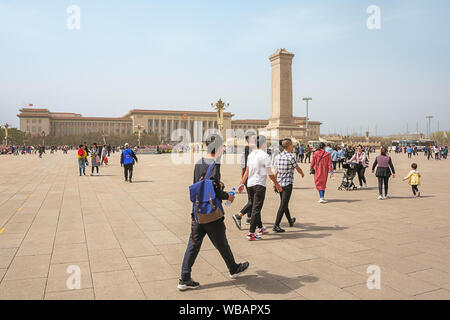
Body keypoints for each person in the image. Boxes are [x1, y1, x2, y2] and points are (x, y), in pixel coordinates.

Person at [178, 134, 249, 291]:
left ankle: (184, 277)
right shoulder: (214, 166)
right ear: (218, 148)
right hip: (211, 213)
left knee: (193, 244)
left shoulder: (198, 163)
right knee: (221, 242)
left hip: (197, 212)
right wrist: (228, 196)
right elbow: (215, 191)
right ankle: (233, 268)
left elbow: (199, 185)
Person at [238, 135, 282, 241]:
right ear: (263, 144)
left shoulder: (251, 155)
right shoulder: (265, 156)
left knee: (254, 207)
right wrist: (277, 184)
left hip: (251, 184)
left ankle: (260, 227)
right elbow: (269, 173)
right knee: (256, 209)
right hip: (259, 185)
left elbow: (247, 171)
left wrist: (241, 183)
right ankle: (251, 233)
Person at [272, 138, 304, 233]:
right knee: (283, 205)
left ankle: (290, 220)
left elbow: (275, 172)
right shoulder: (291, 157)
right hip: (287, 185)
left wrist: (274, 184)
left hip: (279, 184)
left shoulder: (278, 157)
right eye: (292, 145)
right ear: (289, 146)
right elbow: (297, 168)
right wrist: (302, 173)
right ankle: (276, 225)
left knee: (284, 203)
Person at [232, 133, 256, 230]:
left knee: (251, 198)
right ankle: (239, 215)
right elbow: (244, 166)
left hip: (247, 178)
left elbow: (242, 165)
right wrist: (242, 180)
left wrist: (242, 181)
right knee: (254, 200)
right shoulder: (253, 150)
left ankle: (249, 218)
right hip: (251, 177)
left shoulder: (245, 150)